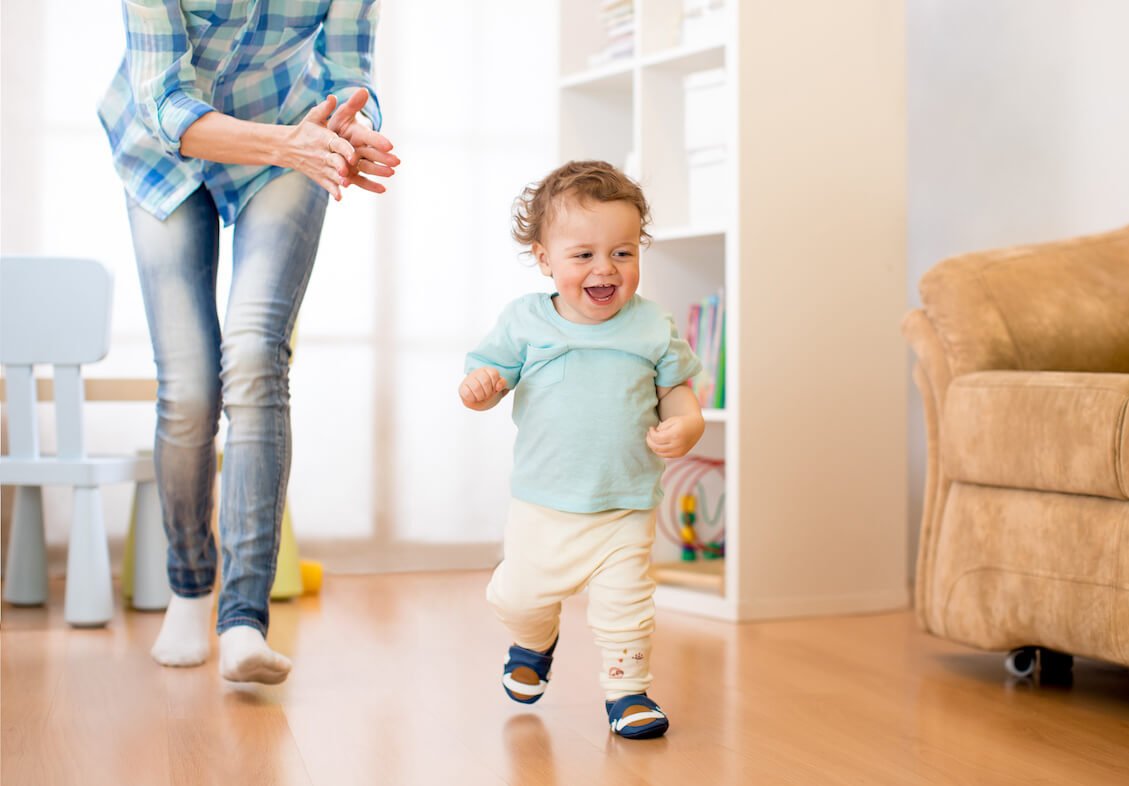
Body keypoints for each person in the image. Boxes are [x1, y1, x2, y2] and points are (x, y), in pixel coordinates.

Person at [99, 1, 400, 684]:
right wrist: (287, 143)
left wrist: (351, 130)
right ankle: (189, 585)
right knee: (190, 386)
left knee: (258, 356)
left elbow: (350, 73)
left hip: (290, 132)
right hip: (166, 146)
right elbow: (162, 100)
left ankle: (242, 621)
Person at [459, 160, 706, 739]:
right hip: (543, 502)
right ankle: (534, 638)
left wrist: (687, 425)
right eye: (583, 255)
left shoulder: (651, 326)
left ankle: (628, 694)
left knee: (625, 607)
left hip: (625, 501)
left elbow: (678, 394)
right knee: (519, 596)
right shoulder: (525, 321)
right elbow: (487, 375)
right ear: (545, 260)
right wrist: (482, 388)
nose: (605, 268)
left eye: (623, 253)